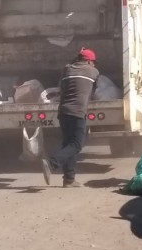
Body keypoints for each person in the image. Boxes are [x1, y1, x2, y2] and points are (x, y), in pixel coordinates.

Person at [41, 48, 99, 187]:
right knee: (76, 144)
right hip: (77, 112)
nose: (94, 65)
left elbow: (62, 87)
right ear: (89, 61)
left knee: (68, 144)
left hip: (63, 112)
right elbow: (93, 91)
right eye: (93, 62)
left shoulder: (67, 69)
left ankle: (69, 179)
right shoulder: (93, 72)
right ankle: (51, 164)